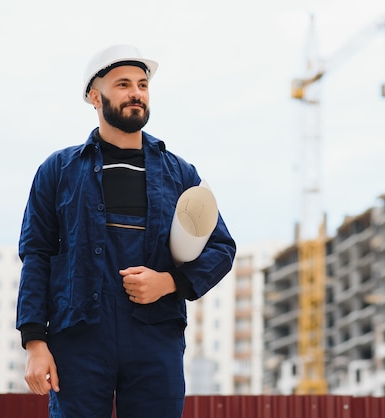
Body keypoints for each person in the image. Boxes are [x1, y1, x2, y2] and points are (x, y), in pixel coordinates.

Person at [16, 44, 236, 418]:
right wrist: (35, 342)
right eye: (122, 84)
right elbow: (36, 254)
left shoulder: (180, 174)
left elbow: (221, 247)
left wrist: (170, 283)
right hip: (79, 334)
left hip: (155, 335)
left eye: (142, 85)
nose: (136, 92)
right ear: (94, 96)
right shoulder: (58, 171)